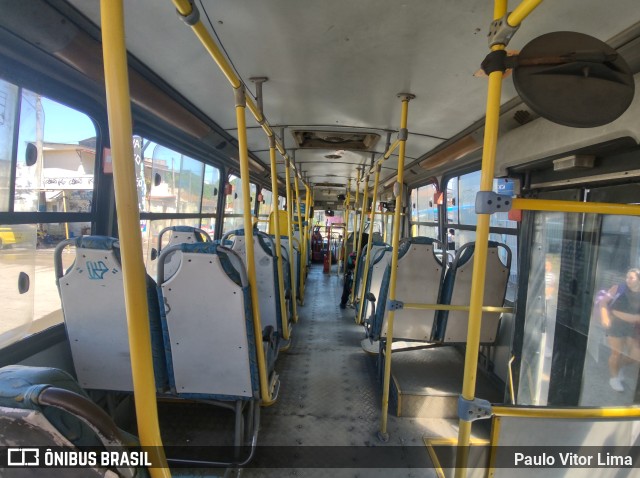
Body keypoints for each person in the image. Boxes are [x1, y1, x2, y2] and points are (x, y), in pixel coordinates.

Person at [599, 268, 640, 392]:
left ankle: (619, 367)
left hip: (633, 327)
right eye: (627, 277)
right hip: (616, 325)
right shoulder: (618, 288)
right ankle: (614, 378)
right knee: (617, 353)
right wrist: (605, 317)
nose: (628, 280)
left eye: (631, 278)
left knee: (635, 356)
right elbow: (603, 302)